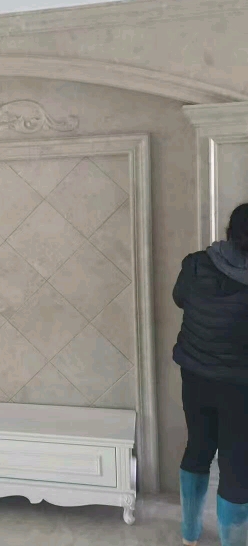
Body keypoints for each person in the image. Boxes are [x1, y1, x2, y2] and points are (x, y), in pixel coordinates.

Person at [173, 203, 248, 546]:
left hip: (195, 376)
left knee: (198, 447)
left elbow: (180, 299)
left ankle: (189, 534)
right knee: (236, 467)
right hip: (241, 387)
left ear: (229, 231)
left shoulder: (195, 264)